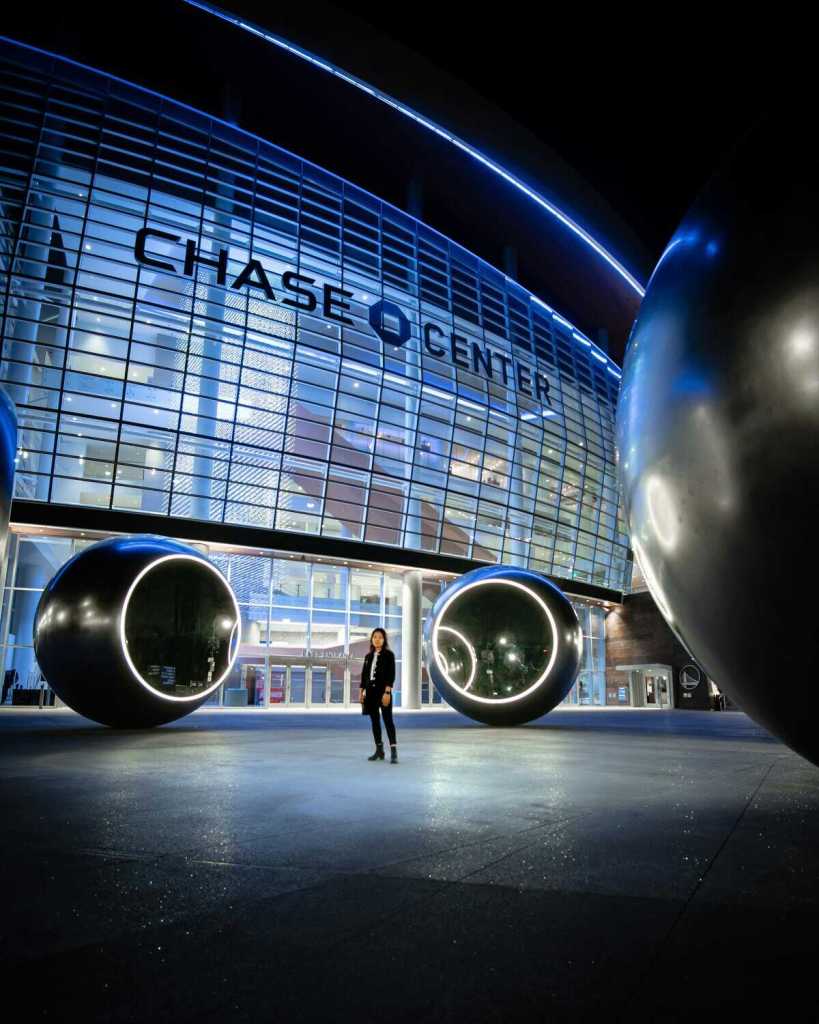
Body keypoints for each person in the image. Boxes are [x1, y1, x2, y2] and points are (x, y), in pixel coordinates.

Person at [360, 627, 398, 763]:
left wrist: (387, 692)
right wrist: (361, 692)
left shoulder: (389, 655)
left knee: (388, 721)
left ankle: (393, 751)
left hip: (383, 693)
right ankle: (379, 750)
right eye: (375, 637)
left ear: (384, 640)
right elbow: (364, 676)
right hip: (370, 694)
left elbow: (391, 674)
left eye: (380, 637)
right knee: (374, 722)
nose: (377, 639)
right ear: (371, 639)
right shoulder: (368, 657)